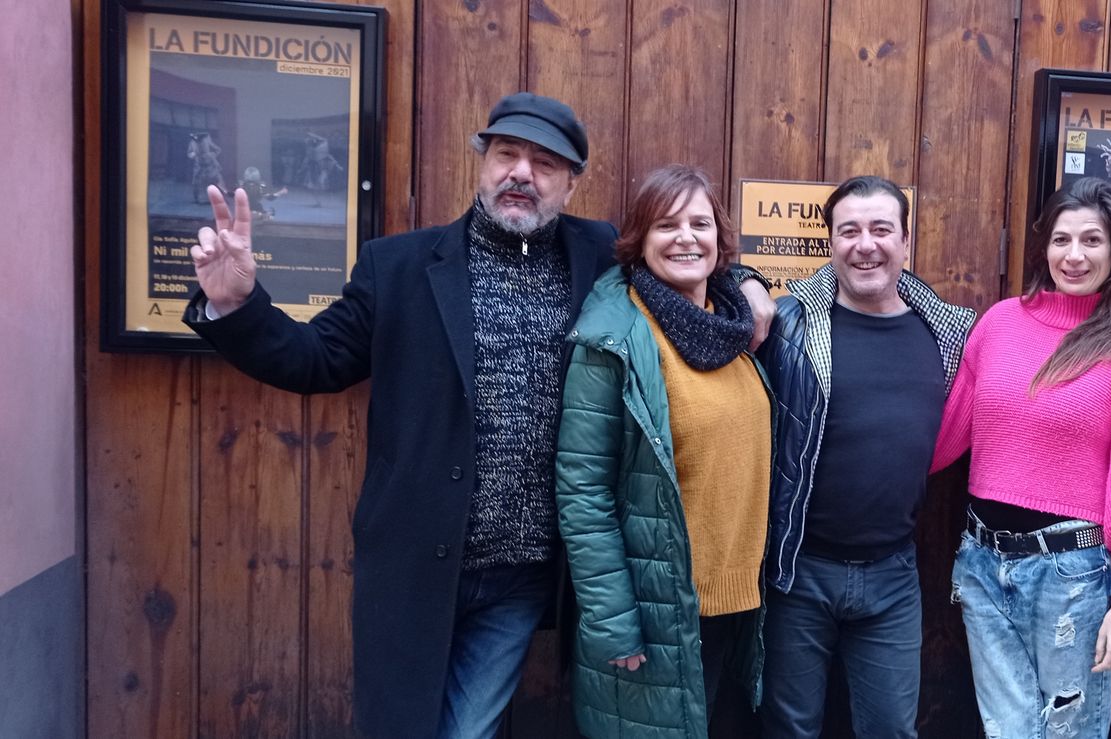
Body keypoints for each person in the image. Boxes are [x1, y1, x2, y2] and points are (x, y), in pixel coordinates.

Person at [182, 93, 774, 739]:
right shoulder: (399, 265)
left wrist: (747, 283)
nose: (523, 172)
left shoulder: (600, 254)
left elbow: (684, 252)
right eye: (507, 154)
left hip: (524, 576)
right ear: (483, 163)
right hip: (415, 561)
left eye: (545, 163)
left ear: (571, 182)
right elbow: (313, 360)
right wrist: (238, 305)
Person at [932, 178, 1111, 739]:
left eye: (1091, 240)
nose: (1074, 255)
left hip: (1071, 575)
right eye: (1061, 240)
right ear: (1043, 247)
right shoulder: (998, 325)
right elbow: (947, 435)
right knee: (1008, 730)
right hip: (981, 562)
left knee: (1070, 732)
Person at [756, 175, 976, 738]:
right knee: (789, 728)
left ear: (906, 240)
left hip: (893, 574)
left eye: (881, 229)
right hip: (799, 570)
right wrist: (746, 277)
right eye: (848, 230)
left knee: (892, 731)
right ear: (831, 241)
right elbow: (716, 298)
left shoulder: (950, 335)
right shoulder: (788, 326)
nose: (865, 244)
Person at [555, 164, 771, 738]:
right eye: (666, 225)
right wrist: (614, 621)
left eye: (700, 223)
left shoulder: (735, 329)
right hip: (658, 613)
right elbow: (583, 491)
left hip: (742, 606)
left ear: (721, 241)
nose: (685, 237)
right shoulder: (614, 339)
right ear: (638, 242)